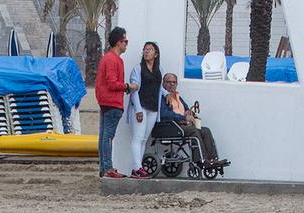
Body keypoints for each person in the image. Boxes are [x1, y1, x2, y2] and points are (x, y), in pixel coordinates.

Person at [96, 27, 136, 178]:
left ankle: (104, 166)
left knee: (104, 136)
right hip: (112, 103)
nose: (126, 44)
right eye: (125, 41)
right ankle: (108, 168)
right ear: (119, 42)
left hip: (106, 102)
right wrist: (128, 86)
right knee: (108, 136)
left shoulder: (107, 58)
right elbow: (112, 83)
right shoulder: (113, 59)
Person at [158, 73, 224, 166]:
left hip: (182, 125)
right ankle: (201, 160)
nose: (172, 84)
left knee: (205, 130)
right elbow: (164, 114)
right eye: (169, 82)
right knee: (194, 131)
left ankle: (213, 159)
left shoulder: (178, 97)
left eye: (174, 82)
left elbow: (186, 109)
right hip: (171, 126)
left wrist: (189, 113)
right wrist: (183, 117)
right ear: (163, 83)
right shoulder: (162, 97)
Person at [126, 40, 163, 177]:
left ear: (156, 54)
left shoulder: (159, 70)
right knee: (137, 137)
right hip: (141, 108)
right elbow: (134, 90)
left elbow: (160, 89)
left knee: (144, 139)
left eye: (150, 49)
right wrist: (138, 109)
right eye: (145, 49)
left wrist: (169, 95)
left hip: (153, 109)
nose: (147, 52)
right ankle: (137, 168)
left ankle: (138, 167)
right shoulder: (138, 69)